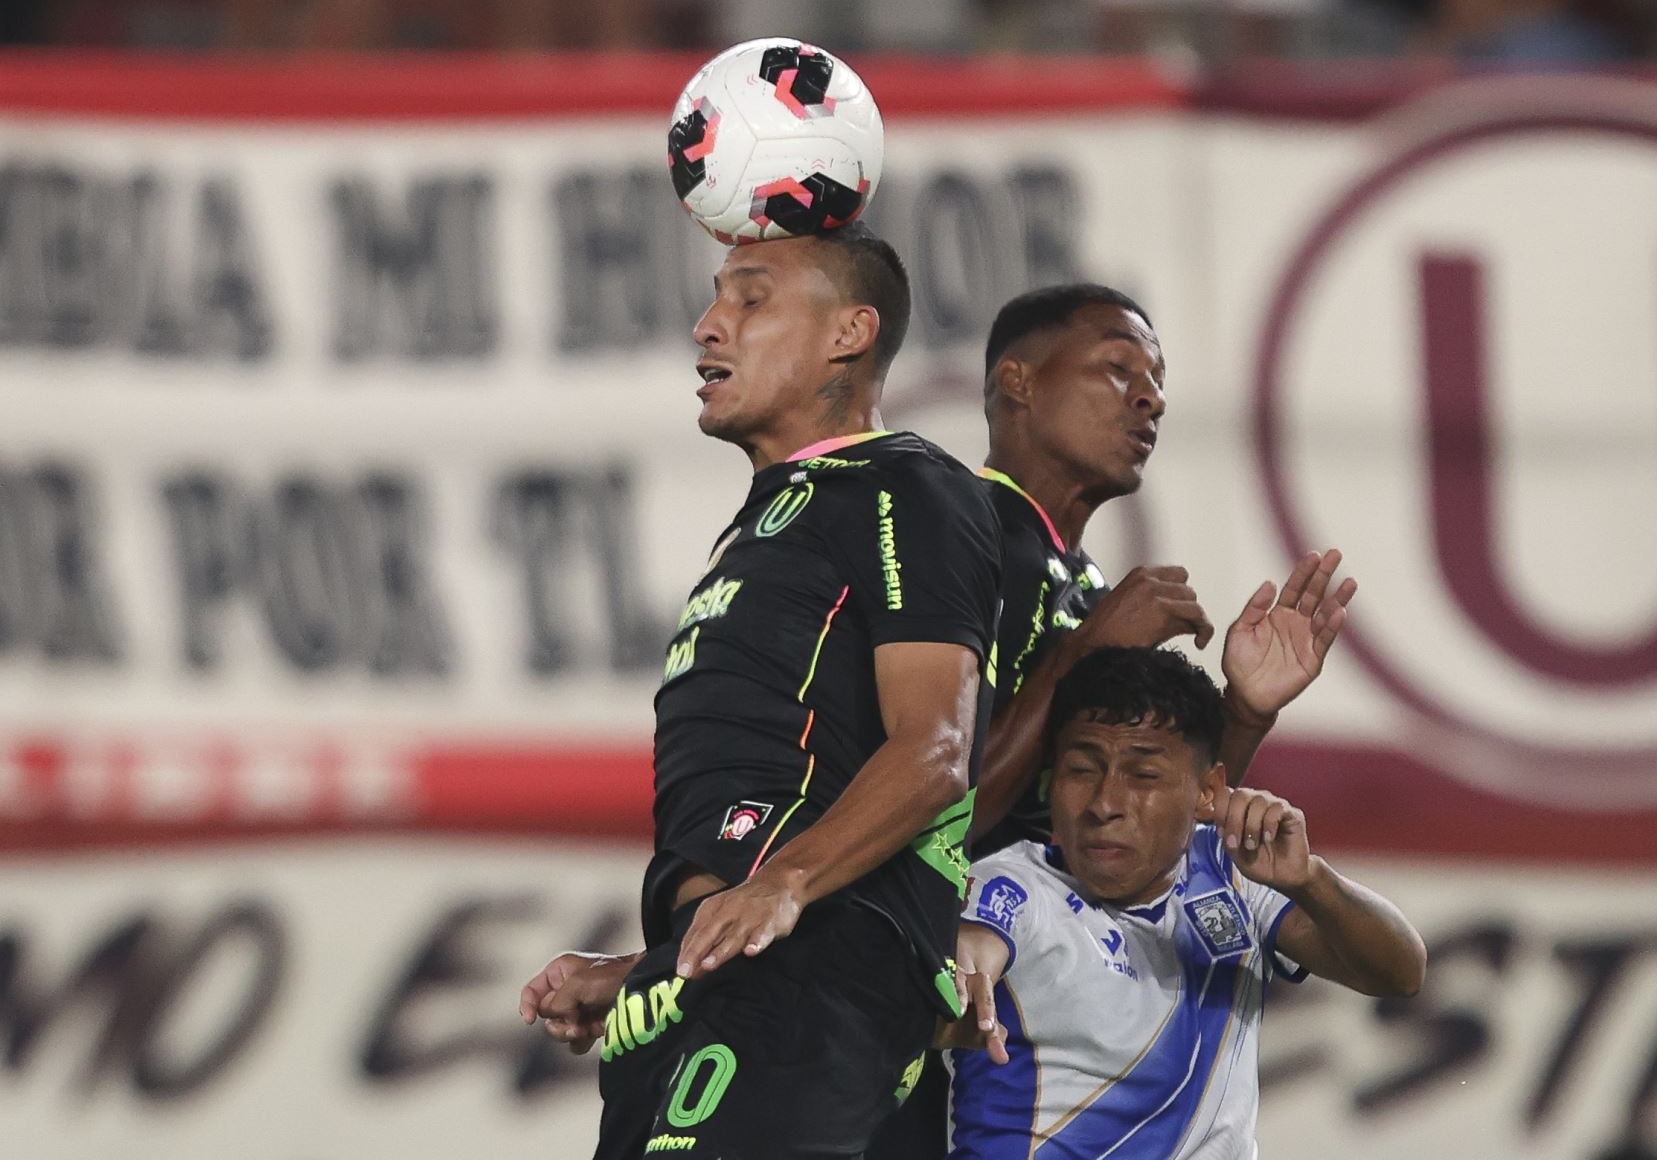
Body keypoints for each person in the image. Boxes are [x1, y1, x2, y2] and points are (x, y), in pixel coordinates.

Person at [517, 224, 1003, 1159]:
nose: (708, 326)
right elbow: (788, 796)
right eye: (715, 298)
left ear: (849, 333)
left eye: (749, 299)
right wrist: (648, 967)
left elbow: (935, 748)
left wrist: (784, 885)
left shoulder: (903, 486)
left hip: (806, 986)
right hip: (727, 980)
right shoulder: (765, 524)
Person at [868, 284, 1357, 1155]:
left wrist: (1243, 713)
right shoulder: (959, 530)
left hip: (1049, 1001)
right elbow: (930, 806)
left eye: (1158, 381)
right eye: (1117, 369)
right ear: (1017, 381)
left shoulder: (1084, 581)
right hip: (933, 989)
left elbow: (1154, 810)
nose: (1150, 399)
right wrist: (1088, 648)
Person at [943, 645, 1426, 1155]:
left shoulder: (1231, 873)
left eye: (1143, 776)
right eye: (1082, 770)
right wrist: (954, 983)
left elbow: (1401, 973)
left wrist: (1309, 879)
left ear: (1207, 790)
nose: (1105, 804)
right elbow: (972, 953)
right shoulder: (1012, 886)